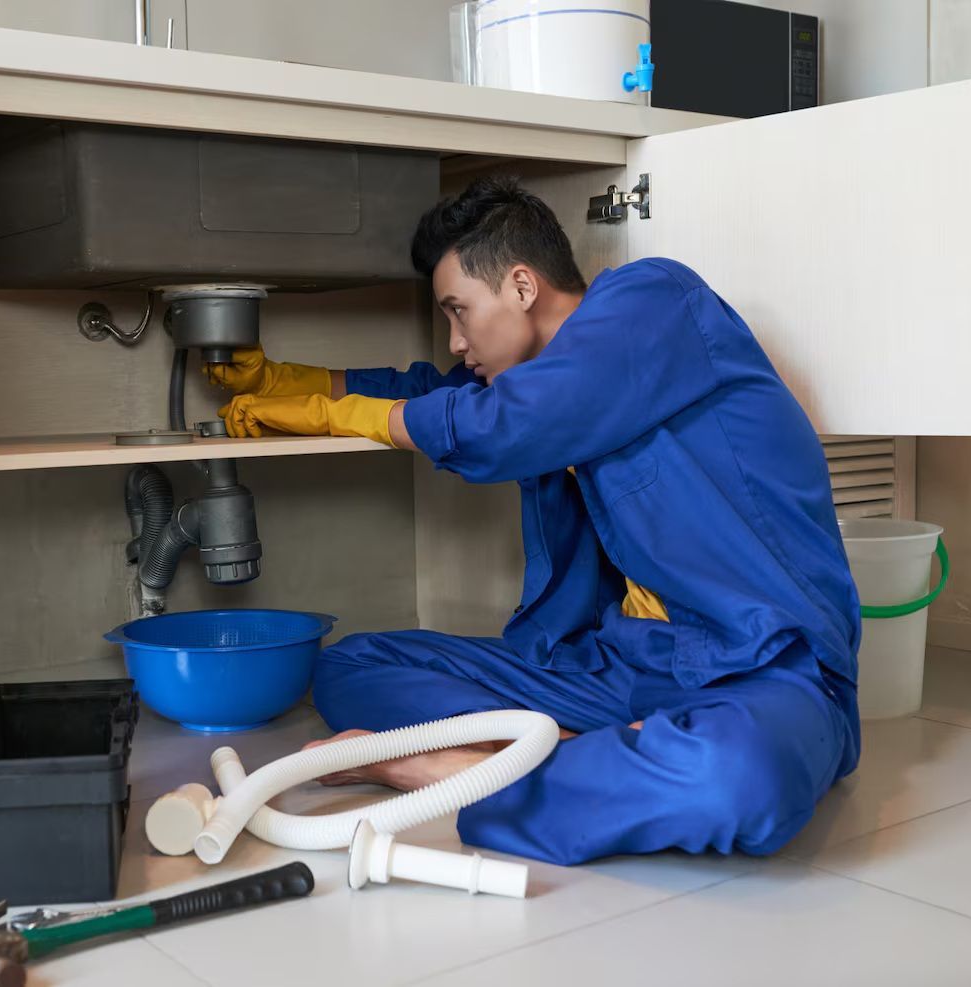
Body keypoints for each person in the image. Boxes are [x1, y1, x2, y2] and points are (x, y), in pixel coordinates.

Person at [208, 175, 861, 865]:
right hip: (617, 666)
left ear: (522, 286)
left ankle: (445, 769)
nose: (456, 340)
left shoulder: (656, 301)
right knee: (350, 667)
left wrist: (342, 415)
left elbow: (497, 425)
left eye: (459, 311)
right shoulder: (533, 374)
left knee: (740, 779)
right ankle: (591, 760)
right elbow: (430, 392)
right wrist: (287, 381)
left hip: (763, 667)